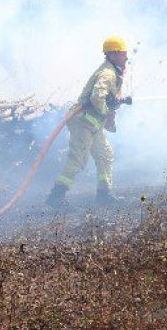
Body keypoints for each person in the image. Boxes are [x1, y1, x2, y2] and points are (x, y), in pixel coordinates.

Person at [46, 36, 131, 206]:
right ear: (113, 55)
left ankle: (104, 194)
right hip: (83, 122)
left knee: (104, 154)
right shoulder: (108, 74)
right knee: (78, 159)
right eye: (123, 54)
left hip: (92, 124)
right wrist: (106, 110)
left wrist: (114, 103)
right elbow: (97, 97)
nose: (126, 57)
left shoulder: (113, 72)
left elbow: (107, 97)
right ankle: (56, 196)